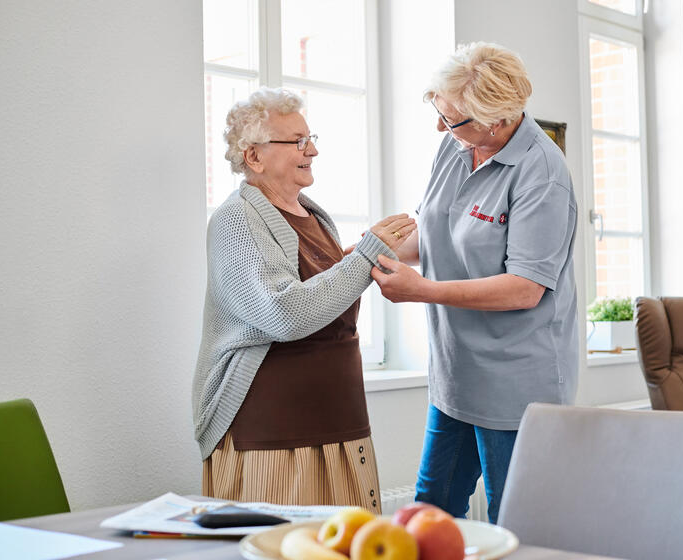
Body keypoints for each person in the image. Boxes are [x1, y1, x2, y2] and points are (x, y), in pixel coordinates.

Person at [371, 42, 578, 524]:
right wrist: (362, 251)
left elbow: (525, 287)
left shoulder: (542, 173)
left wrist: (421, 290)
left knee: (515, 520)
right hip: (456, 375)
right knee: (428, 512)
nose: (440, 128)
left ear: (498, 119)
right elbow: (432, 230)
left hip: (517, 384)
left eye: (452, 120)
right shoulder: (455, 145)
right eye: (439, 112)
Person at [192, 87, 415, 512]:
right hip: (273, 436)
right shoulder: (236, 220)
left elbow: (324, 289)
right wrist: (366, 253)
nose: (311, 150)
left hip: (339, 424)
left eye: (310, 138)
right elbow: (283, 313)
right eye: (296, 141)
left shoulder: (313, 215)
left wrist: (371, 255)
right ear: (253, 156)